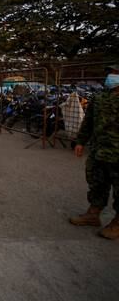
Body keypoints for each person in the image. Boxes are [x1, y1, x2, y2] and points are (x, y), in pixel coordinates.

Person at [69, 64, 119, 240]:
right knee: (97, 182)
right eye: (111, 73)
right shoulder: (100, 97)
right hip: (99, 150)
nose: (111, 76)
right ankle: (93, 214)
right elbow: (88, 121)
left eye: (116, 73)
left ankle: (117, 223)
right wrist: (80, 141)